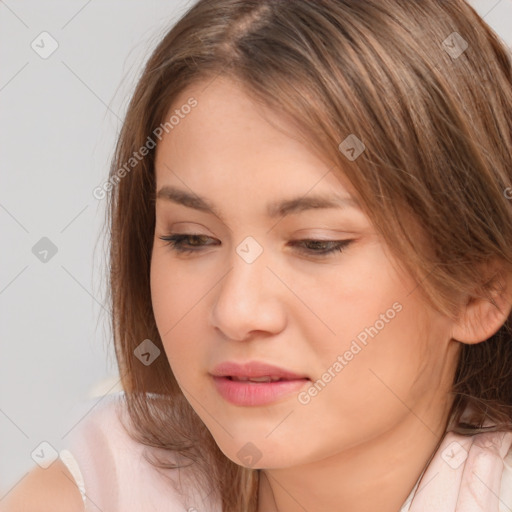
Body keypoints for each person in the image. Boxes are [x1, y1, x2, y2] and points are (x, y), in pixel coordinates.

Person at [4, 0, 512, 511]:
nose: (237, 311)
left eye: (318, 243)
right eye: (191, 239)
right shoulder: (98, 487)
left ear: (479, 289)